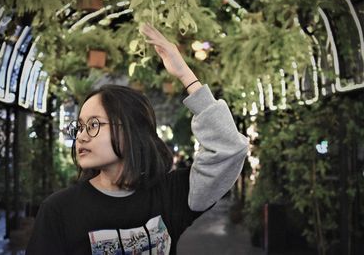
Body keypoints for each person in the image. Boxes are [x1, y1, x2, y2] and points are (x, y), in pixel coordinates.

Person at [26, 24, 249, 255]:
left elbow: (229, 148)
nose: (81, 136)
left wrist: (185, 74)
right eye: (80, 127)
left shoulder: (171, 195)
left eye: (93, 125)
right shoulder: (60, 209)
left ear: (131, 130)